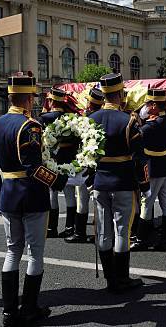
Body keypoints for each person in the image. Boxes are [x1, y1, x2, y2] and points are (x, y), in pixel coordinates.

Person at [0, 73, 68, 326]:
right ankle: (30, 308)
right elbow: (33, 167)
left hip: (9, 193)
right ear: (28, 98)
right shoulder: (30, 126)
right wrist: (59, 181)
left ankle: (9, 312)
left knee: (12, 250)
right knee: (35, 252)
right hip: (31, 194)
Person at [88, 73, 143, 292]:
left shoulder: (91, 120)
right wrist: (143, 183)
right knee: (122, 231)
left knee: (103, 231)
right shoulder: (128, 120)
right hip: (123, 182)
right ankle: (122, 279)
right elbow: (139, 156)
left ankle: (111, 279)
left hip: (100, 182)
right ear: (120, 94)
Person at [133, 88, 166, 251]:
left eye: (146, 104)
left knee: (147, 203)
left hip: (155, 169)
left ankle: (141, 239)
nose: (144, 107)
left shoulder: (148, 128)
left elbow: (135, 143)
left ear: (153, 106)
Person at [65, 87, 104, 244]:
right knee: (100, 201)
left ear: (89, 103)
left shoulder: (85, 119)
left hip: (86, 164)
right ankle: (100, 232)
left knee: (83, 199)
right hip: (101, 165)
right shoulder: (102, 117)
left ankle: (80, 232)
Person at [38, 88, 77, 239]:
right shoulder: (72, 117)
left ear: (51, 101)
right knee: (70, 195)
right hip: (69, 159)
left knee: (51, 194)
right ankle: (69, 228)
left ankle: (51, 228)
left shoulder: (44, 117)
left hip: (51, 159)